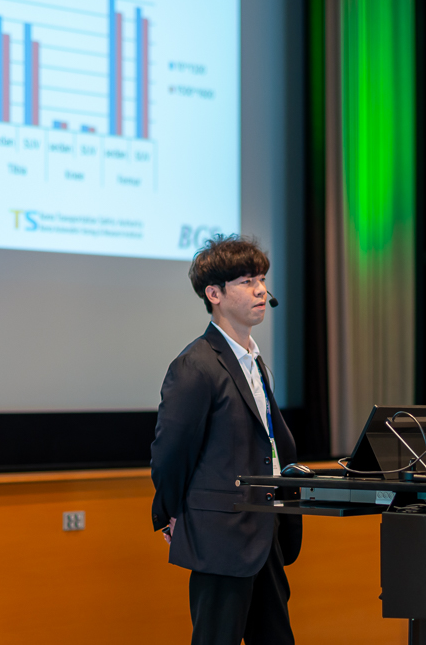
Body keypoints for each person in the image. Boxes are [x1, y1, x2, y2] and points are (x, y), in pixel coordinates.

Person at [150, 235, 301, 645]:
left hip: (264, 528)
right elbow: (171, 452)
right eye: (247, 281)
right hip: (221, 533)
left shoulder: (253, 362)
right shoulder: (195, 365)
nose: (260, 290)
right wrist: (171, 511)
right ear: (214, 294)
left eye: (262, 279)